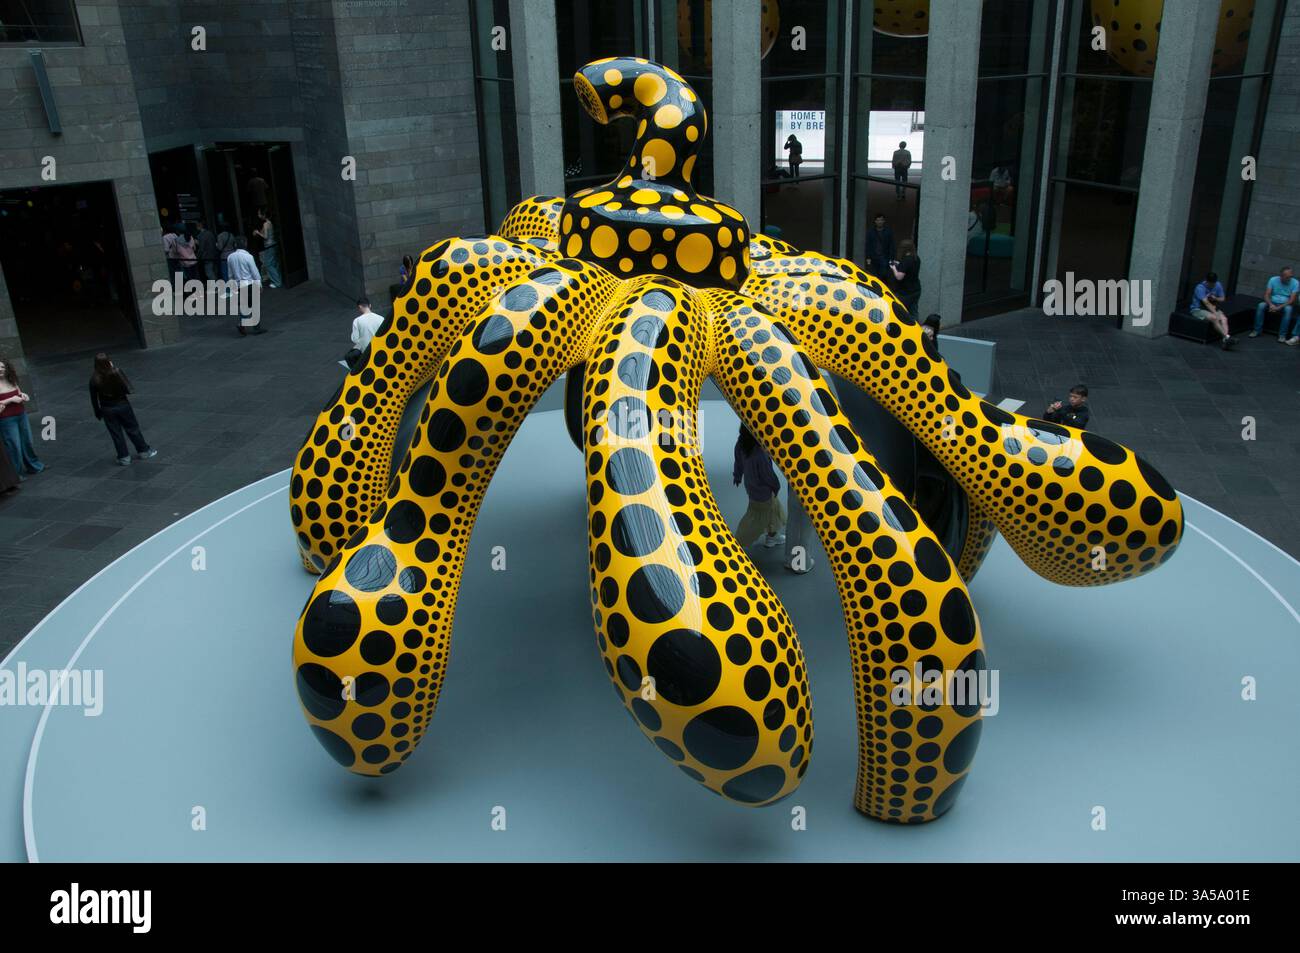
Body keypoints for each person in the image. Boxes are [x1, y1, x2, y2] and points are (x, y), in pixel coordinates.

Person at [89, 354, 157, 466]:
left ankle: (124, 457)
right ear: (109, 362)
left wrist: (97, 412)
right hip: (123, 405)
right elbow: (129, 389)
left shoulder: (93, 379)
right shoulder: (116, 372)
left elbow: (93, 399)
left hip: (107, 408)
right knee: (132, 428)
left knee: (116, 433)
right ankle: (144, 451)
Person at [732, 424, 786, 549]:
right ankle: (739, 541)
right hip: (764, 491)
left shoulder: (741, 445)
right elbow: (767, 475)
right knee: (757, 518)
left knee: (772, 512)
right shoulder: (760, 454)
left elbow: (738, 462)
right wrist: (776, 486)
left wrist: (737, 476)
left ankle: (772, 537)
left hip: (751, 487)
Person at [0, 356, 45, 477]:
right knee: (14, 446)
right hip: (6, 420)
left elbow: (18, 393)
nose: (0, 369)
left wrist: (23, 395)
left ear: (6, 368)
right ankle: (15, 474)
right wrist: (10, 400)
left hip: (21, 415)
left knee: (27, 442)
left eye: (2, 367)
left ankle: (34, 466)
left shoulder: (11, 380)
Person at [226, 237, 265, 335]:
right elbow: (255, 272)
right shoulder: (248, 257)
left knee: (245, 306)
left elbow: (230, 274)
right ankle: (256, 328)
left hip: (240, 285)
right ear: (245, 244)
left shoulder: (230, 257)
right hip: (250, 283)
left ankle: (242, 324)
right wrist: (259, 284)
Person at [1252, 265, 1299, 343]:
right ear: (1281, 276)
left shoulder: (1295, 283)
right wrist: (1270, 304)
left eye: (1290, 276)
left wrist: (1279, 307)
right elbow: (1267, 294)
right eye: (1287, 277)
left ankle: (1282, 335)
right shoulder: (1273, 280)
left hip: (1285, 303)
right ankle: (1257, 330)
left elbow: (1292, 300)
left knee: (1288, 310)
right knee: (1261, 305)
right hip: (1273, 301)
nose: (1289, 278)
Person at [1189, 271, 1234, 350]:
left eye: (1213, 283)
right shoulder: (1200, 288)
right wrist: (1216, 313)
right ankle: (1227, 337)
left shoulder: (1218, 285)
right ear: (1206, 281)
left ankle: (1225, 340)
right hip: (1198, 309)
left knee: (1224, 319)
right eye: (1210, 284)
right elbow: (1206, 303)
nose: (1212, 285)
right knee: (1214, 318)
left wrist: (1215, 298)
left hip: (1213, 308)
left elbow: (1222, 299)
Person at [345, 297, 386, 370]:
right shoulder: (381, 318)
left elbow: (354, 339)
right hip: (381, 349)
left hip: (366, 352)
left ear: (359, 307)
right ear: (370, 305)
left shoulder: (357, 321)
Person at [890, 240, 922, 316]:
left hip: (906, 292)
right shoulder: (916, 258)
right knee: (913, 312)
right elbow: (910, 270)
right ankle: (915, 326)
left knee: (899, 312)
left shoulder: (906, 260)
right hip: (916, 289)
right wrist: (900, 265)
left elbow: (899, 277)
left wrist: (893, 268)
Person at [254, 211, 282, 288]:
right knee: (274, 263)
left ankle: (277, 282)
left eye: (259, 213)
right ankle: (279, 280)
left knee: (269, 264)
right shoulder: (269, 222)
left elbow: (265, 236)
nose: (258, 215)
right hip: (273, 245)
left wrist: (258, 233)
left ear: (263, 215)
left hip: (269, 246)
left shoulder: (265, 224)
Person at [864, 214, 896, 280]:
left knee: (884, 275)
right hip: (873, 257)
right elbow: (868, 245)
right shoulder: (871, 232)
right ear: (875, 221)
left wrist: (891, 258)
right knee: (873, 275)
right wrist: (868, 258)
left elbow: (891, 245)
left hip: (885, 257)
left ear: (884, 221)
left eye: (881, 220)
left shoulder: (888, 232)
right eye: (878, 220)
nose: (879, 222)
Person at [215, 216, 236, 280]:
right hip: (232, 255)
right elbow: (235, 245)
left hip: (224, 257)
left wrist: (216, 245)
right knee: (233, 272)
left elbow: (220, 248)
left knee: (226, 273)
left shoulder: (220, 236)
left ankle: (228, 289)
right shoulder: (231, 235)